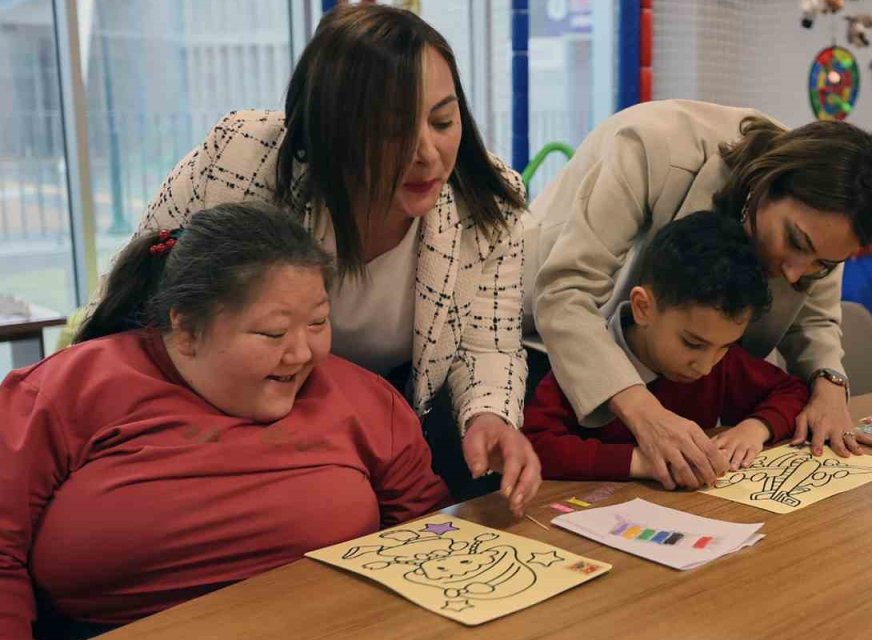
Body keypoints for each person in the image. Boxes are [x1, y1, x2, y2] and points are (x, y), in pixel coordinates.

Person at [136, 4, 538, 510]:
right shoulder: (244, 158)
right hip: (218, 408)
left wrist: (490, 417)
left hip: (378, 428)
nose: (427, 154)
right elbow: (146, 282)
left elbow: (488, 343)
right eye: (392, 130)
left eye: (443, 120)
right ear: (333, 126)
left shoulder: (486, 202)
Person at [0, 203, 450, 639]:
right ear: (186, 330)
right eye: (273, 333)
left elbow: (430, 536)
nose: (302, 353)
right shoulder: (63, 392)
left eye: (317, 323)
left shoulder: (364, 400)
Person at [524, 99, 872, 490]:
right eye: (796, 242)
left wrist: (828, 386)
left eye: (823, 263)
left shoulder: (824, 217)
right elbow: (566, 291)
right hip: (546, 336)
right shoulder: (653, 146)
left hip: (660, 375)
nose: (794, 273)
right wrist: (645, 413)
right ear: (766, 183)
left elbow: (814, 319)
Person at [524, 212, 809, 481]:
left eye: (725, 346)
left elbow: (792, 391)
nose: (705, 367)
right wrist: (643, 462)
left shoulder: (721, 360)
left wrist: (755, 429)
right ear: (642, 307)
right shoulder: (587, 363)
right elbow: (533, 445)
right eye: (692, 343)